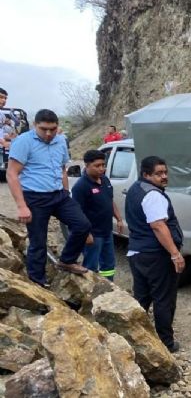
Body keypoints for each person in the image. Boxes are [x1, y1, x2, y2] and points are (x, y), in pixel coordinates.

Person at [6, 109, 91, 287]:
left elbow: (62, 170)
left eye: (52, 129)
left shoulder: (60, 140)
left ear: (57, 127)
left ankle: (67, 260)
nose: (48, 133)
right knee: (38, 242)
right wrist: (22, 206)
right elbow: (12, 174)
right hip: (34, 197)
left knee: (82, 225)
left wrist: (66, 193)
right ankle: (37, 283)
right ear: (35, 125)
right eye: (44, 129)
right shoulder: (24, 142)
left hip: (59, 195)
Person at [126, 156, 185, 352]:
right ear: (146, 174)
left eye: (165, 172)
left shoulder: (136, 188)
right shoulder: (153, 195)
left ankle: (131, 336)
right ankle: (166, 343)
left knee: (142, 297)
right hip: (155, 255)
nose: (164, 177)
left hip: (137, 252)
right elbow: (159, 226)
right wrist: (175, 254)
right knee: (164, 298)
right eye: (158, 174)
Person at [72, 150, 124, 281]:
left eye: (103, 165)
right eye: (97, 166)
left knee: (109, 264)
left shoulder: (105, 180)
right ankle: (90, 294)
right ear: (87, 165)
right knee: (91, 266)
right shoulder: (80, 186)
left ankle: (109, 288)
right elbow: (77, 213)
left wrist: (118, 218)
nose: (102, 169)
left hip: (107, 232)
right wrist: (86, 234)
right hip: (92, 234)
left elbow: (109, 200)